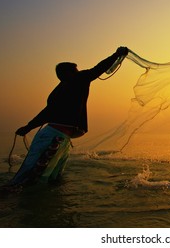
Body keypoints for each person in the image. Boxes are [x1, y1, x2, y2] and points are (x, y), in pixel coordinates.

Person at [8, 46, 129, 187]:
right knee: (28, 178)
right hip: (52, 138)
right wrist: (116, 55)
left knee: (53, 180)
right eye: (76, 70)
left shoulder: (62, 89)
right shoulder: (74, 82)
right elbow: (97, 69)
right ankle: (7, 200)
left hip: (61, 139)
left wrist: (28, 127)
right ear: (67, 74)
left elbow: (47, 113)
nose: (80, 72)